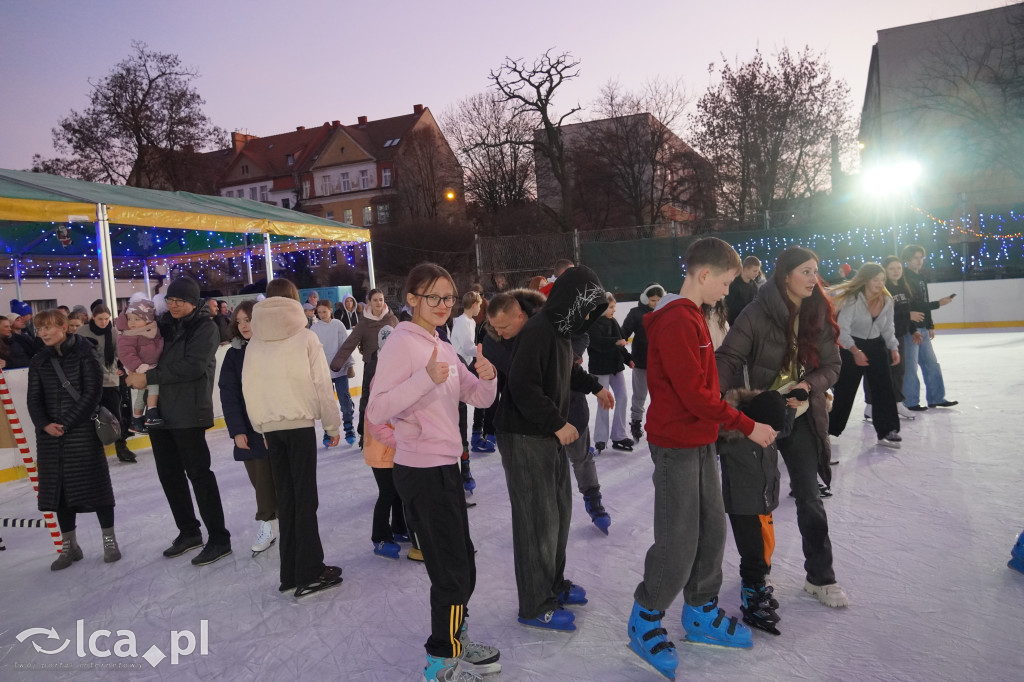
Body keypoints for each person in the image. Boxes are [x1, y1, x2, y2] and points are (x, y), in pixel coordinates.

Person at [627, 238, 768, 679]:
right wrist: (746, 424)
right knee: (679, 539)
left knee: (711, 530)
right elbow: (694, 395)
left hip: (701, 440)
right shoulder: (675, 322)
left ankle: (701, 611)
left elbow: (705, 390)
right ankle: (645, 617)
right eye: (725, 283)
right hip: (675, 445)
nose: (728, 291)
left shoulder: (694, 317)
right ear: (703, 275)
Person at [367, 263, 501, 681]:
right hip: (421, 472)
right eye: (433, 297)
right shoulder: (402, 345)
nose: (443, 304)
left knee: (463, 563)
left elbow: (474, 397)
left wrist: (489, 376)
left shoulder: (440, 343)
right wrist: (424, 380)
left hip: (446, 467)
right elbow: (376, 409)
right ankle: (441, 662)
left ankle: (456, 639)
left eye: (448, 297)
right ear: (411, 300)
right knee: (450, 570)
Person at [717, 245, 850, 609]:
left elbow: (833, 365)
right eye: (805, 271)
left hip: (802, 413)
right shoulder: (757, 313)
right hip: (762, 416)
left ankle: (821, 577)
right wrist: (712, 399)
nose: (813, 278)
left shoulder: (819, 310)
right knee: (755, 498)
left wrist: (809, 385)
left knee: (809, 497)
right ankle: (756, 574)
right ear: (785, 275)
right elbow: (728, 356)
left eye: (815, 271)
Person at [495, 266, 612, 632]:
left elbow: (567, 371)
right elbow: (523, 385)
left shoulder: (561, 332)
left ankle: (553, 584)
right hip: (524, 436)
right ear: (569, 302)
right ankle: (534, 603)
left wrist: (595, 387)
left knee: (558, 513)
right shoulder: (538, 330)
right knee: (536, 522)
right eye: (585, 308)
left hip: (545, 436)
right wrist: (557, 423)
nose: (587, 318)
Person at [242, 278, 343, 598]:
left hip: (271, 428)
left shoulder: (255, 342)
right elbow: (322, 386)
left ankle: (290, 571)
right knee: (305, 499)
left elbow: (250, 388)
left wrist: (261, 427)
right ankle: (310, 570)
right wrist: (332, 426)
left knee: (286, 500)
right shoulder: (306, 338)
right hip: (298, 427)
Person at [483, 290, 613, 535]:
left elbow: (568, 361)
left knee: (581, 458)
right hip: (532, 426)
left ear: (520, 316)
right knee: (543, 482)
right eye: (495, 327)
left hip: (570, 412)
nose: (500, 332)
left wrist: (595, 387)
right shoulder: (496, 341)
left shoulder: (552, 325)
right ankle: (540, 524)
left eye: (504, 326)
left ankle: (593, 499)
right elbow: (525, 386)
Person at [126, 276, 232, 566]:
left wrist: (147, 376)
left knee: (199, 475)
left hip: (188, 411)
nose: (173, 305)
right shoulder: (164, 325)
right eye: (170, 300)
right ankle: (188, 532)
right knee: (169, 475)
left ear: (193, 302)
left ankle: (219, 538)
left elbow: (193, 366)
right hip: (160, 412)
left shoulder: (205, 327)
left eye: (180, 301)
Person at [27, 309, 120, 570]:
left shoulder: (86, 354)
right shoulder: (38, 360)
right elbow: (33, 398)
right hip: (49, 437)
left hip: (81, 432)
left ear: (65, 327)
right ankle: (70, 546)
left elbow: (92, 394)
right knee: (59, 493)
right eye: (39, 328)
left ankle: (109, 539)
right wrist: (44, 424)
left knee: (97, 487)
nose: (43, 333)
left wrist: (65, 423)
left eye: (48, 327)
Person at [718, 387, 796, 636]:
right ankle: (752, 597)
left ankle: (758, 586)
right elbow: (709, 441)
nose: (773, 434)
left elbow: (786, 429)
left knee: (764, 549)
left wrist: (791, 411)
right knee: (752, 554)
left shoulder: (771, 427)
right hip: (742, 505)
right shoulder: (733, 437)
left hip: (764, 501)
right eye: (770, 429)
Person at [218, 300, 278, 558]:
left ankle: (270, 523)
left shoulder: (274, 349)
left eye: (248, 320)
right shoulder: (234, 354)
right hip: (248, 428)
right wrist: (237, 430)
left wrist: (270, 427)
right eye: (239, 321)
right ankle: (270, 523)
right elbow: (228, 394)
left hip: (274, 425)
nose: (243, 326)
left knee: (274, 479)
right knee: (259, 479)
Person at [827, 263, 902, 447]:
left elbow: (888, 327)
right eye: (875, 279)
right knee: (845, 391)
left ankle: (887, 430)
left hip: (876, 346)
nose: (879, 283)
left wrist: (893, 347)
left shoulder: (887, 300)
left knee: (884, 389)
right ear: (866, 280)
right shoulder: (853, 299)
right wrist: (855, 351)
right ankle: (829, 430)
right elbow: (842, 330)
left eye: (882, 280)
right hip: (852, 344)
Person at [361, 324, 410, 560]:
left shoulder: (395, 373)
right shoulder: (379, 376)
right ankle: (379, 538)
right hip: (380, 446)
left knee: (398, 491)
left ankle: (399, 528)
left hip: (392, 445)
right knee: (387, 492)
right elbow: (378, 417)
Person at [329, 289, 398, 448]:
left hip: (391, 368)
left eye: (381, 299)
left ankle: (395, 433)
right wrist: (337, 363)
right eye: (375, 300)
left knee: (394, 401)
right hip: (371, 368)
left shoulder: (392, 319)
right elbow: (350, 343)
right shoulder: (364, 323)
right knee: (367, 402)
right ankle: (364, 434)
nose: (379, 303)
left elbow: (404, 340)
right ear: (369, 302)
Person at [77, 304, 137, 464]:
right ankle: (92, 452)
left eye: (106, 319)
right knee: (89, 417)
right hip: (88, 381)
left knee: (115, 416)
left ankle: (121, 447)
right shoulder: (82, 332)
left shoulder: (114, 333)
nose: (103, 322)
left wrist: (122, 368)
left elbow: (122, 354)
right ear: (93, 318)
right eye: (100, 319)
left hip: (110, 380)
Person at [901, 245, 957, 410]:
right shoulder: (905, 278)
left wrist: (930, 324)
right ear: (907, 260)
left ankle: (936, 398)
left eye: (921, 258)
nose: (919, 261)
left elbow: (924, 303)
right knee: (910, 367)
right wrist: (938, 304)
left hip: (923, 327)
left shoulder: (921, 277)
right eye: (916, 258)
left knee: (931, 363)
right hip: (911, 329)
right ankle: (910, 401)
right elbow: (911, 305)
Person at [864, 256, 919, 422]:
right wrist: (907, 315)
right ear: (885, 271)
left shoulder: (903, 287)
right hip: (880, 337)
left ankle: (896, 402)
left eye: (899, 268)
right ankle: (871, 406)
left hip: (899, 336)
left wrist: (912, 329)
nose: (896, 271)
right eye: (892, 269)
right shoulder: (881, 288)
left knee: (898, 370)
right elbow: (882, 314)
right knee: (877, 371)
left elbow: (904, 311)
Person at [587, 292, 633, 453]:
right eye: (611, 307)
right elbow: (597, 343)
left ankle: (619, 435)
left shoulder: (612, 322)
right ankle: (600, 438)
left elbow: (621, 344)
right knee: (604, 402)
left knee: (622, 397)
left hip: (615, 367)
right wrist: (615, 342)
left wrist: (629, 359)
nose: (614, 310)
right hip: (600, 369)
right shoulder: (592, 324)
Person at [450, 291, 486, 489]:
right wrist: (483, 349)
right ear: (473, 304)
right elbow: (466, 346)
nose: (480, 308)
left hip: (465, 368)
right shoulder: (464, 322)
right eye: (479, 304)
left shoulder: (469, 322)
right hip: (459, 369)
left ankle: (464, 466)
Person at [622, 283, 664, 442]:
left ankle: (660, 422)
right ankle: (636, 422)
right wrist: (624, 352)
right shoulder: (636, 313)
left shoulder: (665, 312)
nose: (655, 303)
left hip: (661, 363)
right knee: (640, 395)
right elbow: (623, 333)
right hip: (641, 361)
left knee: (660, 395)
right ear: (645, 298)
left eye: (658, 299)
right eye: (652, 300)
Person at [115, 296, 164, 432]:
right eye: (130, 319)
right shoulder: (128, 335)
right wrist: (138, 367)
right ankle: (152, 414)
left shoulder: (150, 330)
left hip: (149, 365)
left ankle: (136, 419)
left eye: (137, 319)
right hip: (140, 368)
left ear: (147, 320)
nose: (132, 323)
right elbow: (125, 354)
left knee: (142, 395)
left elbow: (159, 344)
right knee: (154, 388)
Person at [311, 299, 356, 446]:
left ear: (331, 310)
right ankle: (328, 431)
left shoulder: (338, 325)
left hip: (340, 369)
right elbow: (312, 351)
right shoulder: (314, 329)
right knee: (327, 403)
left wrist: (350, 364)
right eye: (319, 312)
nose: (322, 314)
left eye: (325, 311)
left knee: (344, 399)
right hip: (323, 372)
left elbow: (346, 345)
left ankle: (348, 426)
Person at [725, 255, 762, 326]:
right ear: (745, 269)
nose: (757, 274)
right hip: (733, 323)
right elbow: (727, 305)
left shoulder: (754, 285)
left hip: (748, 323)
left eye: (758, 271)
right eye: (754, 271)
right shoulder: (734, 284)